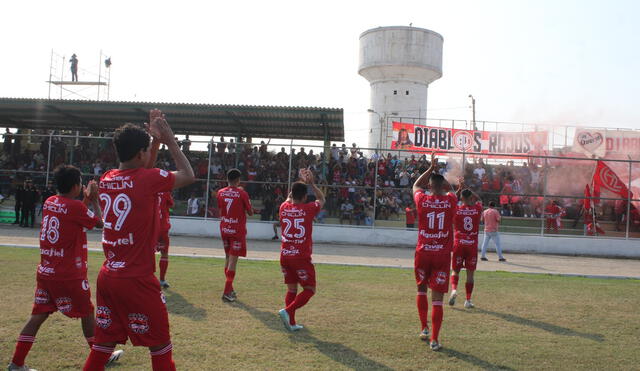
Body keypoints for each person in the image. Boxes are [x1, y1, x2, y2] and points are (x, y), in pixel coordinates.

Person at [83, 112, 195, 371]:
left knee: (102, 347)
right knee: (160, 348)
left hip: (109, 277)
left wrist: (152, 144)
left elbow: (141, 171)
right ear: (140, 154)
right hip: (137, 279)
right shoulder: (147, 180)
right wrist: (169, 141)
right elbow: (188, 175)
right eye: (146, 150)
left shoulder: (107, 178)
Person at [8, 166, 123, 371]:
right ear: (76, 186)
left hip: (46, 271)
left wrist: (85, 200)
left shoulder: (50, 201)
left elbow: (74, 214)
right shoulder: (75, 208)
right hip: (68, 273)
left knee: (38, 316)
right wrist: (95, 199)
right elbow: (100, 223)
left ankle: (16, 363)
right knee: (87, 313)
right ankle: (100, 356)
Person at [412, 152, 457, 351]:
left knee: (421, 289)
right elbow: (452, 189)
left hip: (423, 252)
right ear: (443, 186)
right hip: (441, 255)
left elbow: (415, 185)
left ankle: (424, 328)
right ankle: (435, 340)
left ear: (429, 186)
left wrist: (430, 168)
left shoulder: (422, 199)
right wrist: (442, 179)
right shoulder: (450, 201)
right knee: (437, 300)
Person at [278, 169, 325, 332]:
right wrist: (311, 183)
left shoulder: (283, 207)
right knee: (309, 289)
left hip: (285, 254)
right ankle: (288, 311)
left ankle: (290, 323)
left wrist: (300, 183)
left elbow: (290, 197)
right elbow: (322, 198)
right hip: (301, 257)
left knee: (291, 289)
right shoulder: (309, 208)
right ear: (305, 197)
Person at [216, 169, 253, 302]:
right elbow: (251, 212)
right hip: (237, 231)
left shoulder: (220, 192)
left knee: (227, 258)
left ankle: (230, 288)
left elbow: (221, 210)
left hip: (225, 228)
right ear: (238, 180)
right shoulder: (242, 193)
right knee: (233, 261)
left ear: (227, 179)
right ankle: (227, 291)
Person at [449, 187, 483, 309]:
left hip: (459, 243)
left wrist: (459, 189)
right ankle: (468, 300)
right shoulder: (477, 209)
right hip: (471, 245)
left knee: (455, 270)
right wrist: (471, 192)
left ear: (461, 199)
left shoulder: (456, 209)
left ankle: (453, 290)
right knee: (470, 275)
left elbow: (451, 200)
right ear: (471, 198)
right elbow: (480, 200)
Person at [156, 192, 174, 288]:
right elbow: (171, 205)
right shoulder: (165, 192)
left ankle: (148, 278)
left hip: (151, 227)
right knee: (164, 253)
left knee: (148, 254)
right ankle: (162, 280)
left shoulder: (149, 190)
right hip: (163, 227)